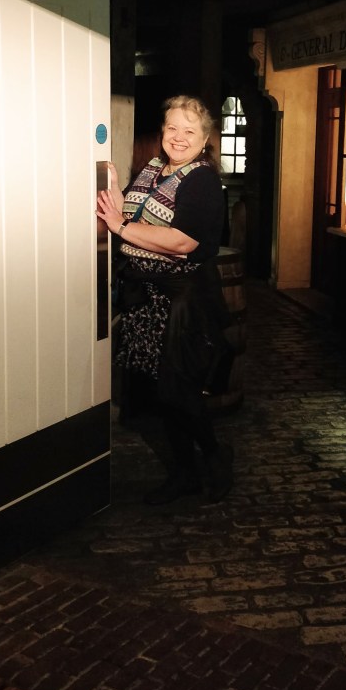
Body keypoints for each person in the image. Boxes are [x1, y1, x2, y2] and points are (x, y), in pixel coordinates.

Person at [96, 95, 234, 505]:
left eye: (189, 131)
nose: (178, 137)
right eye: (172, 127)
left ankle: (215, 455)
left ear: (205, 139)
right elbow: (124, 213)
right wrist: (113, 199)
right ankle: (185, 474)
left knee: (180, 391)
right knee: (163, 392)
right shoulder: (153, 169)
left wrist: (121, 226)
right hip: (148, 298)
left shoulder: (202, 180)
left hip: (182, 300)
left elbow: (182, 241)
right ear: (162, 131)